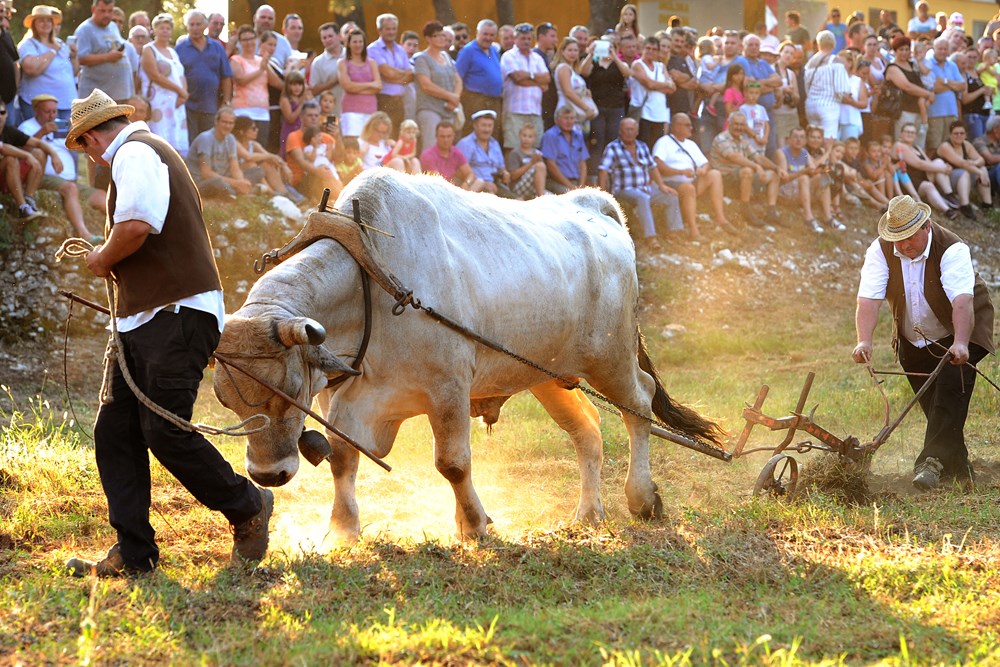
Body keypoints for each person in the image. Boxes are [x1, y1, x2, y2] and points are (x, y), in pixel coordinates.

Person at [62, 89, 273, 577]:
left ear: (92, 136)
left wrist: (100, 257)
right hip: (149, 316)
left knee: (163, 428)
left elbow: (136, 226)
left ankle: (247, 505)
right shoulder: (142, 152)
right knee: (115, 432)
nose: (90, 156)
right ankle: (134, 554)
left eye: (85, 147)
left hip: (175, 312)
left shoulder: (134, 152)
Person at [853, 194, 995, 491]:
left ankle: (929, 463)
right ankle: (957, 466)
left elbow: (962, 301)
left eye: (909, 237)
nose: (903, 245)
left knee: (948, 387)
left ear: (926, 226)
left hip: (963, 329)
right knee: (936, 405)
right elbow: (868, 299)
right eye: (897, 238)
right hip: (913, 338)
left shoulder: (952, 248)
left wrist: (960, 343)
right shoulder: (880, 251)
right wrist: (863, 340)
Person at [18, 94, 100, 239]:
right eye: (47, 111)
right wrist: (42, 132)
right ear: (36, 111)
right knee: (70, 189)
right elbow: (22, 153)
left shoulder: (61, 125)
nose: (51, 116)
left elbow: (79, 149)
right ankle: (84, 234)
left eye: (54, 111)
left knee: (102, 197)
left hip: (69, 179)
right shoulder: (27, 127)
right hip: (44, 177)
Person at [599, 117, 682, 249]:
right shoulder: (612, 147)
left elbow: (652, 167)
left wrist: (662, 185)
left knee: (671, 195)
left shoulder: (642, 146)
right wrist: (603, 194)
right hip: (624, 189)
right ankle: (651, 238)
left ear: (637, 132)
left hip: (645, 188)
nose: (629, 132)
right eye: (626, 129)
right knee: (642, 197)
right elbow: (603, 170)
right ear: (620, 131)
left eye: (632, 129)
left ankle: (673, 232)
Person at [653, 112, 733, 234]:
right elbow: (657, 165)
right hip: (671, 182)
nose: (691, 128)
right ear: (677, 126)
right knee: (688, 188)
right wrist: (681, 172)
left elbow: (706, 163)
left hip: (690, 181)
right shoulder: (664, 142)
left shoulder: (691, 144)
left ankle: (720, 218)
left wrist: (703, 170)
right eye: (687, 125)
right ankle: (693, 230)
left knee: (715, 174)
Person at [709, 111, 780, 225]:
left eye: (742, 125)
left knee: (773, 174)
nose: (739, 127)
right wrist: (756, 167)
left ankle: (771, 211)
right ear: (729, 123)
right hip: (725, 179)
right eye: (736, 124)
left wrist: (777, 168)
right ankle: (745, 210)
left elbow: (758, 157)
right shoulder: (721, 138)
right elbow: (734, 157)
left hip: (741, 179)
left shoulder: (742, 140)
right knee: (747, 170)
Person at [175, 10, 232, 140]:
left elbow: (226, 76)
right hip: (187, 107)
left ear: (205, 26)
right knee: (191, 142)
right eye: (191, 24)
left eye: (198, 24)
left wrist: (226, 101)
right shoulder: (179, 49)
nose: (195, 28)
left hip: (211, 106)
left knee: (208, 142)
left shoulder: (217, 47)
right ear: (187, 27)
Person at [16, 5, 77, 124]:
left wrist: (74, 57)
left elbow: (72, 72)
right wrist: (52, 51)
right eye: (41, 20)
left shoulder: (60, 43)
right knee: (41, 138)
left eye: (49, 20)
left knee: (64, 140)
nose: (46, 23)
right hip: (42, 106)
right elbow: (31, 69)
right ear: (33, 24)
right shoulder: (28, 44)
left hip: (66, 103)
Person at [139, 13, 188, 154]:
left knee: (176, 140)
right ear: (153, 31)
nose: (165, 31)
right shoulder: (149, 49)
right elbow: (155, 75)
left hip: (177, 102)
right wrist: (180, 91)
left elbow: (181, 75)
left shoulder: (173, 52)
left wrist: (183, 95)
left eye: (168, 28)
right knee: (160, 138)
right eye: (161, 28)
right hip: (158, 102)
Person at [1, 97, 54, 220]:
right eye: (48, 111)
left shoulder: (9, 130)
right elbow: (3, 148)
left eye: (2, 112)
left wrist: (54, 155)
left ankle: (29, 199)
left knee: (39, 153)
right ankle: (23, 207)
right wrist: (27, 155)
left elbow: (38, 143)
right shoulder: (26, 126)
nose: (0, 116)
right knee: (11, 159)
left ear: (7, 114)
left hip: (8, 178)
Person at [413, 21, 463, 152]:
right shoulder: (421, 59)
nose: (442, 38)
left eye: (443, 35)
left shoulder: (446, 56)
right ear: (428, 38)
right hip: (429, 108)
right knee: (430, 146)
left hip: (449, 109)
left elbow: (458, 80)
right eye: (437, 35)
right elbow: (426, 85)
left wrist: (455, 98)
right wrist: (451, 96)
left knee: (447, 148)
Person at [499, 23, 549, 150]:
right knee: (513, 147)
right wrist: (538, 81)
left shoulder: (537, 58)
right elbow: (518, 78)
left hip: (535, 110)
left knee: (535, 148)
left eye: (528, 38)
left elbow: (547, 78)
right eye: (523, 38)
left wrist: (528, 76)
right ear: (515, 39)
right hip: (515, 110)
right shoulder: (509, 56)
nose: (526, 41)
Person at [186, 106, 252, 199]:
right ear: (216, 121)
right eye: (224, 122)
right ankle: (238, 193)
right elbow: (206, 173)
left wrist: (241, 182)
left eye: (231, 123)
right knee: (218, 182)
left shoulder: (231, 138)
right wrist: (236, 183)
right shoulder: (206, 138)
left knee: (256, 171)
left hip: (221, 177)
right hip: (201, 182)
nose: (227, 126)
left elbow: (235, 168)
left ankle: (236, 192)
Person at [75, 0, 133, 102]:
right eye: (102, 11)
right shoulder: (85, 29)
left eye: (110, 11)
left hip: (119, 94)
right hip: (97, 98)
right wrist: (108, 57)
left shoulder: (113, 26)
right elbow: (80, 58)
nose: (106, 15)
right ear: (93, 9)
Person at [367, 13, 413, 137]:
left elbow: (410, 75)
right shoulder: (373, 49)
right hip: (384, 100)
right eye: (388, 29)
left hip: (400, 101)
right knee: (385, 136)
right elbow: (387, 72)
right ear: (379, 30)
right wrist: (400, 75)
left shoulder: (400, 49)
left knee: (398, 137)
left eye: (394, 29)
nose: (391, 32)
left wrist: (393, 76)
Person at [285, 100, 342, 199]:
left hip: (325, 176)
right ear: (301, 117)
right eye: (310, 115)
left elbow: (340, 158)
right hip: (302, 180)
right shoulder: (294, 136)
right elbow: (301, 162)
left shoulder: (325, 137)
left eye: (316, 115)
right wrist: (319, 172)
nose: (313, 118)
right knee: (325, 172)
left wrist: (338, 137)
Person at [935, 120, 991, 219]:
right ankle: (965, 205)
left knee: (983, 168)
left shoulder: (966, 144)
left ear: (966, 134)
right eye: (956, 133)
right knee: (966, 172)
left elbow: (981, 160)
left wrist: (974, 163)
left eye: (962, 133)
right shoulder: (945, 146)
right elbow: (961, 163)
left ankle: (987, 204)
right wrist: (979, 172)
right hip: (945, 182)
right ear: (950, 135)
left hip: (963, 181)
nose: (959, 136)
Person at [230, 25, 278, 140]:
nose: (248, 42)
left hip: (262, 112)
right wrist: (261, 70)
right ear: (240, 42)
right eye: (245, 40)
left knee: (261, 147)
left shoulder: (261, 60)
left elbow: (276, 82)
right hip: (243, 110)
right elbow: (241, 80)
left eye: (251, 39)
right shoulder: (235, 60)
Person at [803, 30, 850, 146]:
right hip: (829, 105)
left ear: (818, 44)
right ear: (833, 45)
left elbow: (806, 87)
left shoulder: (809, 63)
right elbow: (841, 90)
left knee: (814, 140)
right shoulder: (835, 61)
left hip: (811, 105)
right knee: (829, 140)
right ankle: (827, 163)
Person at [456, 20, 502, 134]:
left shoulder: (494, 51)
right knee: (474, 133)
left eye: (491, 35)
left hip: (494, 101)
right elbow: (457, 76)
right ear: (477, 33)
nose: (488, 38)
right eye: (485, 34)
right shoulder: (468, 50)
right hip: (475, 100)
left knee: (492, 134)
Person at [630, 37, 674, 147]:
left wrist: (656, 85)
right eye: (648, 48)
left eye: (654, 49)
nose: (651, 51)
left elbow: (672, 88)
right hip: (644, 113)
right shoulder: (637, 64)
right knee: (643, 146)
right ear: (642, 49)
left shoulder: (661, 66)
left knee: (657, 146)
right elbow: (648, 83)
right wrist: (665, 84)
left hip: (660, 114)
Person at [924, 37, 965, 153]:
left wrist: (944, 81)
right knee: (934, 146)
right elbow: (933, 87)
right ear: (934, 49)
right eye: (940, 49)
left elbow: (962, 86)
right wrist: (952, 86)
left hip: (951, 112)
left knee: (951, 146)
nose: (943, 51)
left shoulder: (952, 65)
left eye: (945, 49)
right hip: (934, 113)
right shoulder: (928, 64)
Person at [338, 28, 381, 138]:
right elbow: (347, 86)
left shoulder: (371, 62)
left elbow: (378, 86)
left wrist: (356, 87)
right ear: (348, 44)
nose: (358, 45)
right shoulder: (342, 63)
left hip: (370, 108)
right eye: (355, 42)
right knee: (353, 143)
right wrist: (370, 85)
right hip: (351, 110)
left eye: (360, 41)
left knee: (370, 141)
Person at [457, 109, 511, 195]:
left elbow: (501, 167)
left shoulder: (495, 144)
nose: (487, 129)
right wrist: (483, 184)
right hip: (474, 186)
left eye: (490, 126)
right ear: (475, 125)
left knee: (519, 201)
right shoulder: (465, 143)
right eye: (483, 125)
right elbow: (459, 171)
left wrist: (505, 173)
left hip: (495, 184)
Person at [419, 120, 484, 191]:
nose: (446, 140)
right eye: (442, 136)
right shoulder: (428, 155)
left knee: (480, 182)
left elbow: (470, 174)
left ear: (453, 136)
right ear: (436, 137)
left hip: (452, 188)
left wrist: (466, 183)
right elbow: (438, 181)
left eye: (449, 136)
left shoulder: (456, 152)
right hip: (436, 190)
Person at [541, 105, 590, 194]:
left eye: (572, 118)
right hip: (556, 182)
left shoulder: (578, 136)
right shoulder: (550, 135)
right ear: (557, 120)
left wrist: (581, 186)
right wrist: (571, 187)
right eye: (566, 118)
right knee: (570, 197)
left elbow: (583, 164)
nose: (569, 121)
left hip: (576, 182)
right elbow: (551, 165)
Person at [505, 123, 547, 199]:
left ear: (534, 139)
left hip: (534, 187)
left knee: (552, 198)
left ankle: (540, 196)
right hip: (518, 187)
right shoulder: (515, 153)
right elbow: (513, 176)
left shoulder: (536, 153)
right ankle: (541, 199)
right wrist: (531, 164)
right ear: (519, 136)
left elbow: (542, 175)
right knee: (540, 166)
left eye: (530, 136)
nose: (526, 139)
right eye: (524, 135)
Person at [309, 22, 344, 114]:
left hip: (353, 110)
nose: (328, 40)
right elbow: (313, 91)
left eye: (330, 36)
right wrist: (334, 81)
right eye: (324, 38)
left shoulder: (351, 55)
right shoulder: (318, 63)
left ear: (339, 36)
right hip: (330, 114)